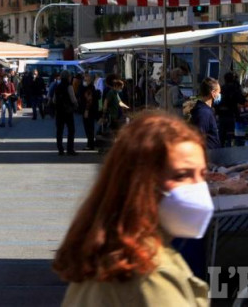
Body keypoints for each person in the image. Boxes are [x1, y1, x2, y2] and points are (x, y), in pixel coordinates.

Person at [54, 112, 211, 306]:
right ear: (140, 182)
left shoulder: (105, 252)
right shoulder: (153, 276)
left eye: (203, 175)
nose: (198, 187)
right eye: (181, 175)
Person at [190, 77, 222, 150]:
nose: (220, 95)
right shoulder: (204, 112)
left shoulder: (206, 110)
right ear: (213, 93)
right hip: (209, 156)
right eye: (219, 92)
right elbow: (199, 137)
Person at [216, 72, 246, 147]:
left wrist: (218, 111)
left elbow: (216, 102)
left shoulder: (221, 89)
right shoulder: (235, 89)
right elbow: (242, 101)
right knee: (232, 136)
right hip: (232, 115)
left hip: (221, 116)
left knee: (221, 136)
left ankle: (221, 151)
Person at [54, 70, 79, 156]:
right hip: (68, 111)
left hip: (59, 111)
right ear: (68, 77)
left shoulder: (57, 86)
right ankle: (70, 149)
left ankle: (60, 149)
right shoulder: (69, 86)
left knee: (59, 131)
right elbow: (73, 98)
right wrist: (76, 105)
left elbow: (54, 99)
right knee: (71, 130)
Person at [78, 73, 101, 150]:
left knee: (89, 128)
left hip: (89, 111)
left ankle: (90, 144)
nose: (84, 80)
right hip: (89, 110)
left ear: (90, 80)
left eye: (86, 78)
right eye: (84, 78)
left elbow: (89, 100)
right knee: (89, 128)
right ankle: (90, 144)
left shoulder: (89, 88)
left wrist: (86, 110)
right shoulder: (87, 87)